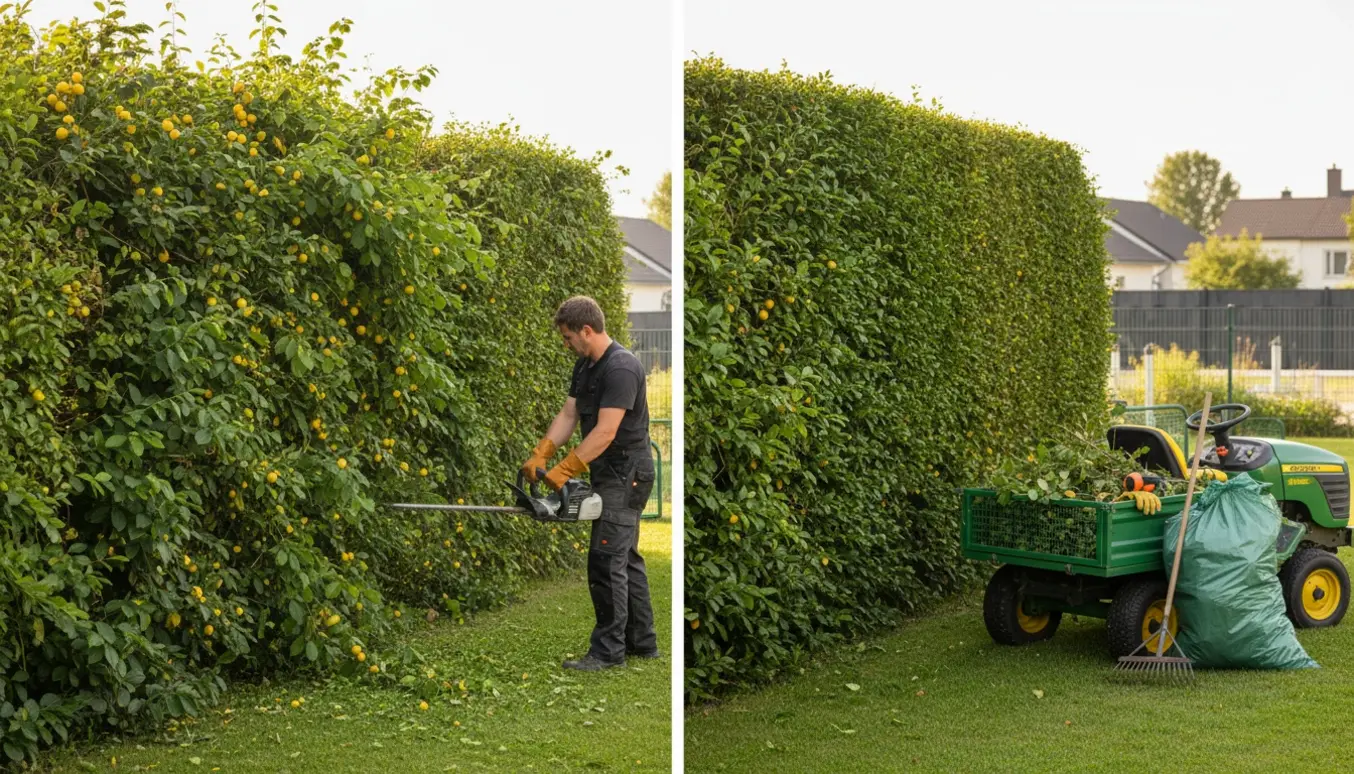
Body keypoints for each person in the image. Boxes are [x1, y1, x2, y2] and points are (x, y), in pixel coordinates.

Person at [523, 295, 659, 670]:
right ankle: (642, 643)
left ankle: (607, 652)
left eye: (568, 338)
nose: (566, 345)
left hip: (627, 472)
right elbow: (570, 413)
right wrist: (542, 453)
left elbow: (605, 431)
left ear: (587, 330)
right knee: (625, 557)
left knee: (606, 558)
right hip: (610, 471)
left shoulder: (621, 368)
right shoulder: (586, 367)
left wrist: (564, 470)